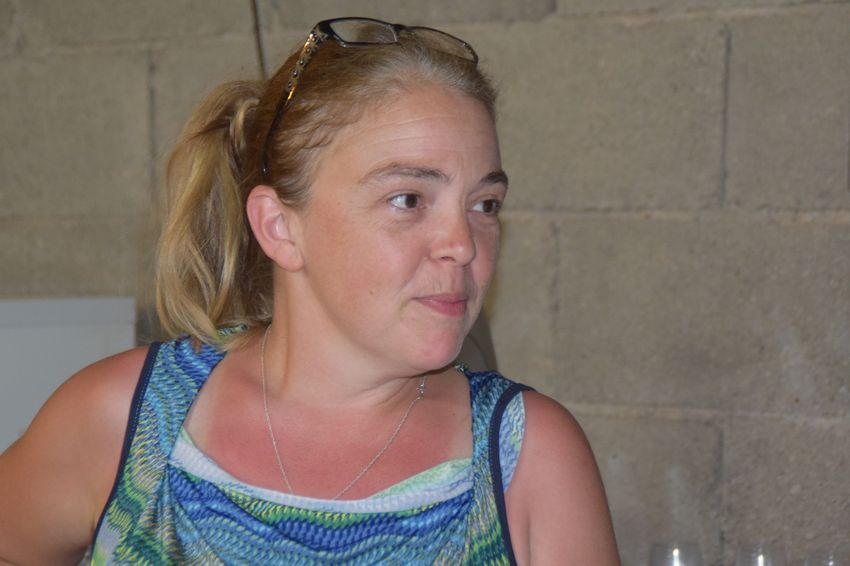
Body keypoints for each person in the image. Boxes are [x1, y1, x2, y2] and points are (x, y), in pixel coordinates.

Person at [0, 17, 619, 565]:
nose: (462, 243)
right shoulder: (125, 422)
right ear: (280, 227)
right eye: (408, 199)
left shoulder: (527, 460)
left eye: (485, 204)